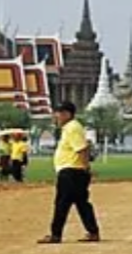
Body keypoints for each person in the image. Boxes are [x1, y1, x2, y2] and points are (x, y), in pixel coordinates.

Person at [39, 101, 100, 243]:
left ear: (67, 114)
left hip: (71, 171)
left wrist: (85, 168)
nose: (56, 117)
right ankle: (92, 231)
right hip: (73, 171)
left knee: (62, 203)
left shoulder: (72, 128)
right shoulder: (70, 128)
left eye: (58, 113)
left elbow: (82, 149)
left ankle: (56, 234)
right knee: (81, 203)